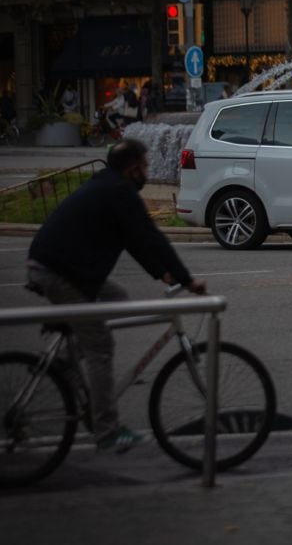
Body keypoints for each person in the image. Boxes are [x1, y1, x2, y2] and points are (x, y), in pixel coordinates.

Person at [25, 139, 207, 452]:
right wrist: (186, 280)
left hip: (63, 267)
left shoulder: (109, 185)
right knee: (101, 346)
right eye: (146, 166)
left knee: (117, 298)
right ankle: (107, 431)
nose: (148, 172)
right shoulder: (119, 191)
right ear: (132, 167)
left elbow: (133, 240)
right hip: (57, 271)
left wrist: (161, 273)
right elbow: (151, 236)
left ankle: (64, 363)